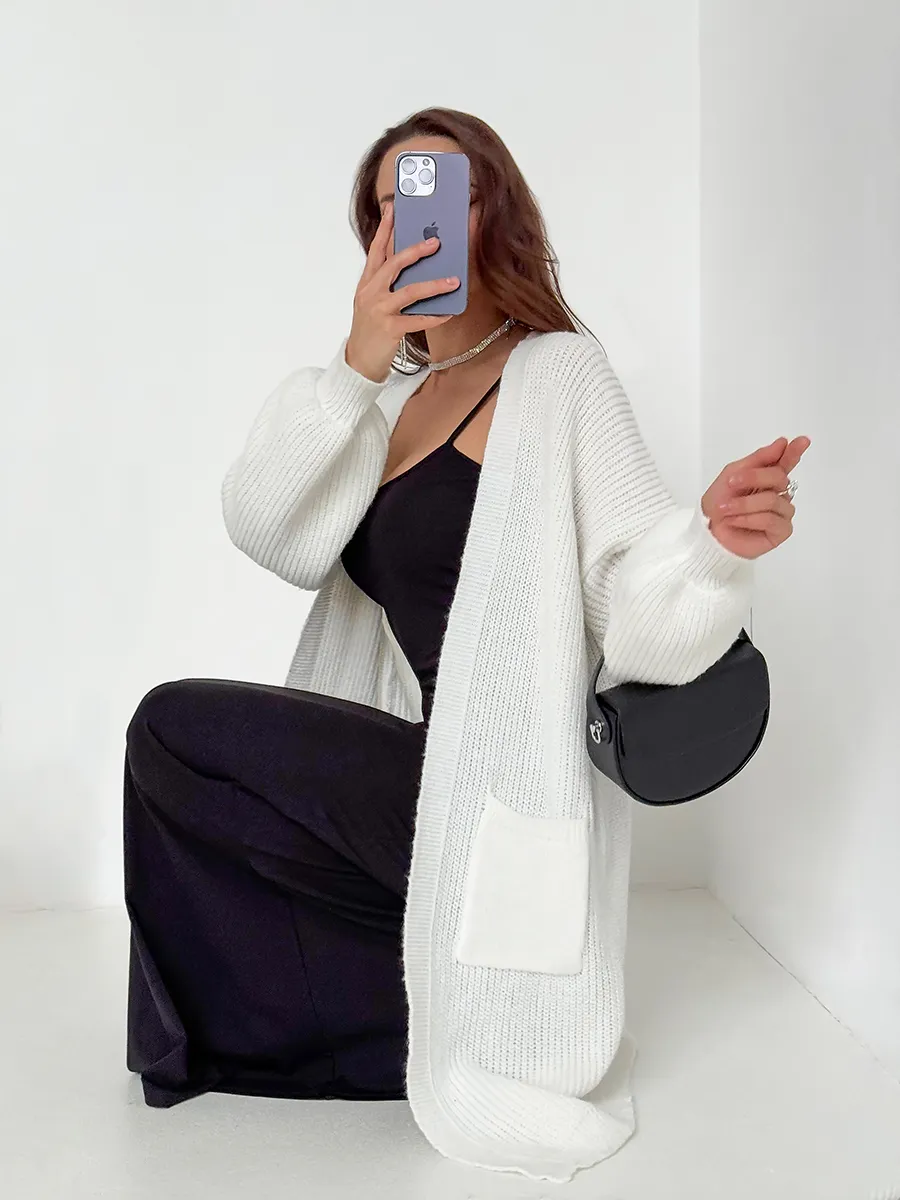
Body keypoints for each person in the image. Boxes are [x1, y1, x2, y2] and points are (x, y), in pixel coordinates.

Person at [123, 107, 809, 1172]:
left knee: (173, 726)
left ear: (496, 212)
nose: (420, 219)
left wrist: (711, 545)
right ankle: (350, 1020)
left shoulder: (561, 375)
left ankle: (426, 1028)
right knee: (175, 757)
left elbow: (637, 617)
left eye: (448, 192)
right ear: (374, 237)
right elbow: (266, 529)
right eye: (392, 204)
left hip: (486, 789)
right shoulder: (383, 399)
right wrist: (353, 367)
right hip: (407, 769)